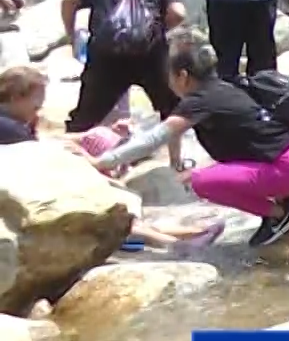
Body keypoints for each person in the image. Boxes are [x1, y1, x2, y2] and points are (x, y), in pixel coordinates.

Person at [90, 39, 289, 248]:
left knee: (201, 182)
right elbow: (174, 130)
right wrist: (175, 161)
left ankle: (281, 214)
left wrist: (100, 161)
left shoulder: (200, 102)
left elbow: (153, 139)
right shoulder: (226, 86)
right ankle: (286, 198)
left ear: (182, 76)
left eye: (169, 74)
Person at [0, 67, 225, 252]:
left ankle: (190, 234)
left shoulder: (11, 122)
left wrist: (93, 134)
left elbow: (44, 141)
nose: (38, 112)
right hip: (21, 206)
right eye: (35, 106)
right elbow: (40, 153)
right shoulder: (8, 129)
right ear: (15, 97)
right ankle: (176, 245)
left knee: (116, 212)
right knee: (106, 214)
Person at [60, 0, 188, 170]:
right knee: (172, 108)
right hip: (150, 55)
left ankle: (67, 164)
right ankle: (176, 162)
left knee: (85, 116)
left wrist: (70, 35)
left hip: (106, 56)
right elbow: (178, 12)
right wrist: (161, 29)